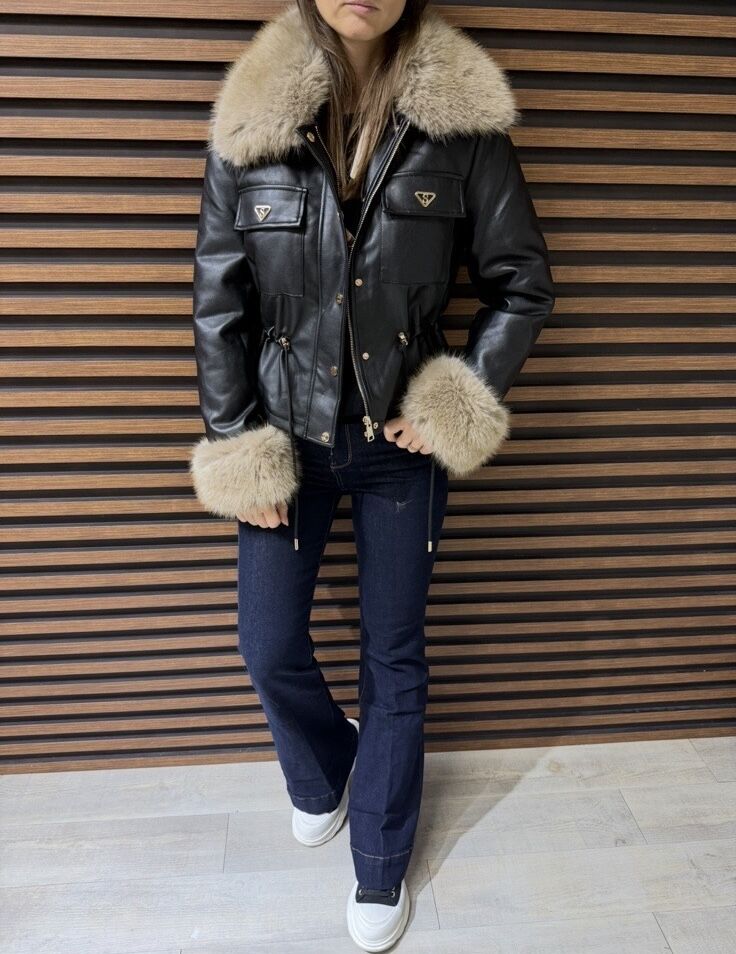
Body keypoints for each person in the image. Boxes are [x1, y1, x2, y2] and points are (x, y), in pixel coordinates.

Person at [188, 0, 555, 949]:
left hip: (402, 450)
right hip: (287, 443)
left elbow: (521, 283)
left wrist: (452, 402)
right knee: (268, 645)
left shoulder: (463, 123)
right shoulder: (250, 120)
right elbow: (219, 304)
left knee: (394, 657)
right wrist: (239, 445)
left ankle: (382, 863)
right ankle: (325, 770)